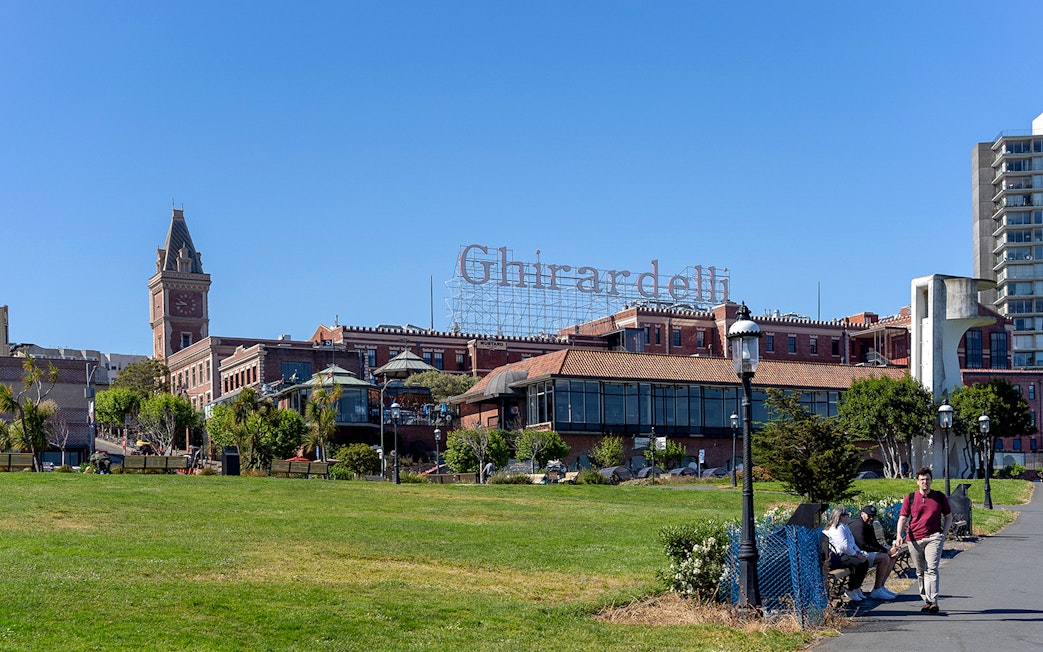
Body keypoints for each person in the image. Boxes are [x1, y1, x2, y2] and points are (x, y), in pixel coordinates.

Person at [895, 467, 953, 613]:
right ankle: (926, 600)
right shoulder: (911, 498)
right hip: (914, 539)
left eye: (927, 479)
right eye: (922, 480)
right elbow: (903, 517)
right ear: (917, 482)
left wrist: (943, 534)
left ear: (931, 481)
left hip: (933, 537)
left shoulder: (939, 497)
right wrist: (898, 536)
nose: (925, 482)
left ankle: (933, 601)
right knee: (920, 571)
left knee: (931, 569)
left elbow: (948, 517)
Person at [823, 506, 870, 602]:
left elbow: (852, 543)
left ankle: (856, 587)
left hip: (846, 554)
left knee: (864, 562)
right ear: (840, 516)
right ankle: (851, 589)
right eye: (846, 515)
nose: (848, 517)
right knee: (858, 563)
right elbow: (844, 546)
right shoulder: (837, 528)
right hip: (838, 556)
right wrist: (856, 555)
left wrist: (858, 552)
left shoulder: (844, 527)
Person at [850, 505, 899, 600]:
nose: (871, 518)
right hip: (856, 554)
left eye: (873, 516)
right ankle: (876, 589)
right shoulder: (858, 525)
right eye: (869, 516)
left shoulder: (868, 524)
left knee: (892, 556)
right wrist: (885, 552)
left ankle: (880, 586)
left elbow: (874, 542)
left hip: (863, 552)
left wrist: (887, 551)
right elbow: (862, 545)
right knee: (884, 558)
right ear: (862, 514)